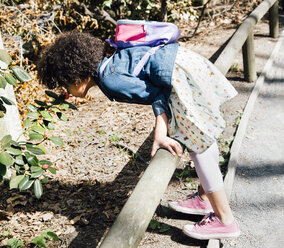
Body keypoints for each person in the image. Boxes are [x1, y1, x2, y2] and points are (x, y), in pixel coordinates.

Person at [37, 30, 240, 240]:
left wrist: (160, 134)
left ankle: (225, 220)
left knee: (199, 147)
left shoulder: (110, 79)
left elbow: (158, 94)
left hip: (176, 75)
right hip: (183, 62)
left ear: (77, 75)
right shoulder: (113, 61)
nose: (65, 91)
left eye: (65, 83)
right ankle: (204, 198)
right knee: (202, 138)